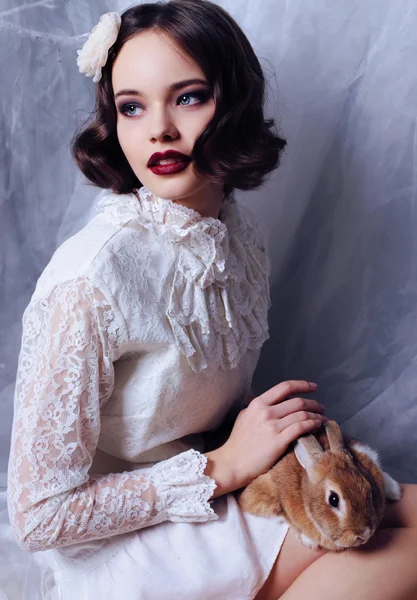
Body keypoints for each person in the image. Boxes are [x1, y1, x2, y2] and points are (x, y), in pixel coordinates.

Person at [6, 1, 417, 599]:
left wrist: (282, 442)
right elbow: (40, 514)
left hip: (217, 494)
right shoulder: (91, 277)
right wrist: (224, 465)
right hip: (133, 544)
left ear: (235, 103)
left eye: (188, 97)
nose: (159, 130)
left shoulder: (238, 235)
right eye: (131, 106)